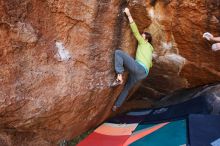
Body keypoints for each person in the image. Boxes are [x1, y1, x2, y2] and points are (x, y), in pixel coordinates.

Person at [111, 7, 154, 111]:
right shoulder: (150, 50)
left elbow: (135, 31)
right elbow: (150, 64)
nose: (141, 34)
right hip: (143, 73)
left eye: (143, 34)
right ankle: (116, 106)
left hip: (139, 68)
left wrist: (129, 14)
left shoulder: (144, 43)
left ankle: (119, 76)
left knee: (118, 53)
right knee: (127, 88)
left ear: (146, 39)